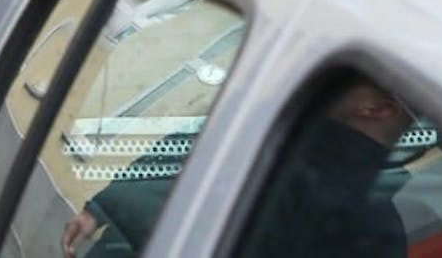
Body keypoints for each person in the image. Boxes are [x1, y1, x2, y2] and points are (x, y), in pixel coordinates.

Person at [60, 72, 412, 258]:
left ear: (377, 109)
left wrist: (112, 205)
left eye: (346, 79)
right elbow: (182, 153)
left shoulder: (359, 219)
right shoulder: (282, 125)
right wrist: (102, 208)